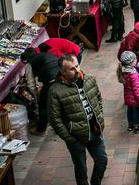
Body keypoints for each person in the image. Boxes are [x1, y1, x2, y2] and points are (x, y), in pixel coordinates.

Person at [48, 54, 107, 185]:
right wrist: (70, 139)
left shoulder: (90, 79)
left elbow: (99, 100)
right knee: (81, 170)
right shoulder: (55, 91)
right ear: (63, 72)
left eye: (77, 66)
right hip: (75, 137)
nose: (77, 70)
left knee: (102, 160)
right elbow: (54, 119)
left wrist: (100, 117)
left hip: (95, 130)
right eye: (72, 69)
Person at [21, 49, 60, 136]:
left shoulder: (29, 64)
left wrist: (36, 95)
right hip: (62, 78)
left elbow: (31, 84)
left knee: (43, 106)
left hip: (51, 81)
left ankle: (41, 129)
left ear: (25, 60)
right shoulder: (45, 54)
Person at [118, 51, 139, 134]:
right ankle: (137, 127)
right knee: (136, 111)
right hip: (134, 98)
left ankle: (130, 125)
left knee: (129, 110)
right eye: (134, 60)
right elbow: (137, 89)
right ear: (130, 63)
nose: (136, 60)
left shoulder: (123, 71)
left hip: (127, 96)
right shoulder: (133, 75)